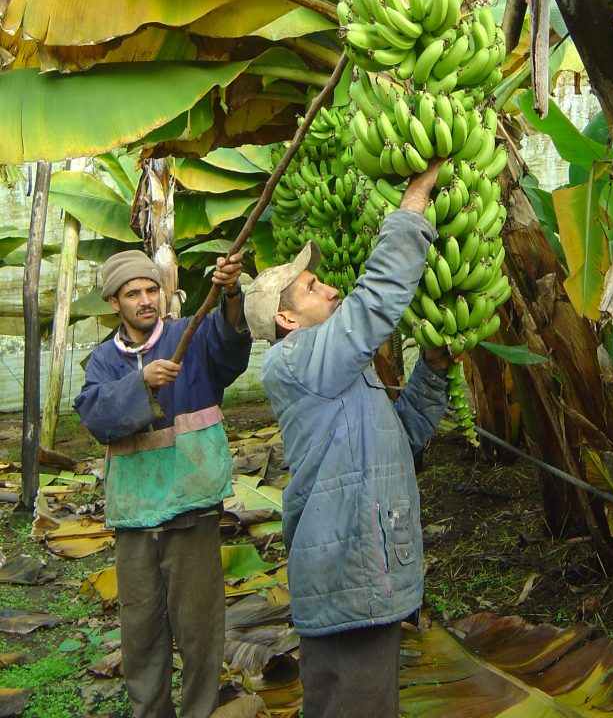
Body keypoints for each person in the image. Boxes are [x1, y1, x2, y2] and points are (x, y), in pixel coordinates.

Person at [243, 161, 451, 718]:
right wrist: (413, 204)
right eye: (313, 287)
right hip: (352, 568)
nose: (330, 288)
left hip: (359, 566)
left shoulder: (338, 370)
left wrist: (433, 369)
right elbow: (374, 303)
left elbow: (401, 439)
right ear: (286, 319)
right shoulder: (297, 359)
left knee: (340, 701)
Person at [74, 248, 252, 718]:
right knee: (141, 634)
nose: (145, 300)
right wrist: (143, 384)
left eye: (151, 289)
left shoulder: (186, 335)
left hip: (190, 507)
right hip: (135, 518)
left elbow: (230, 347)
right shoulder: (104, 362)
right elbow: (95, 415)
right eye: (133, 293)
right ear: (115, 302)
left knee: (199, 633)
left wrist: (231, 292)